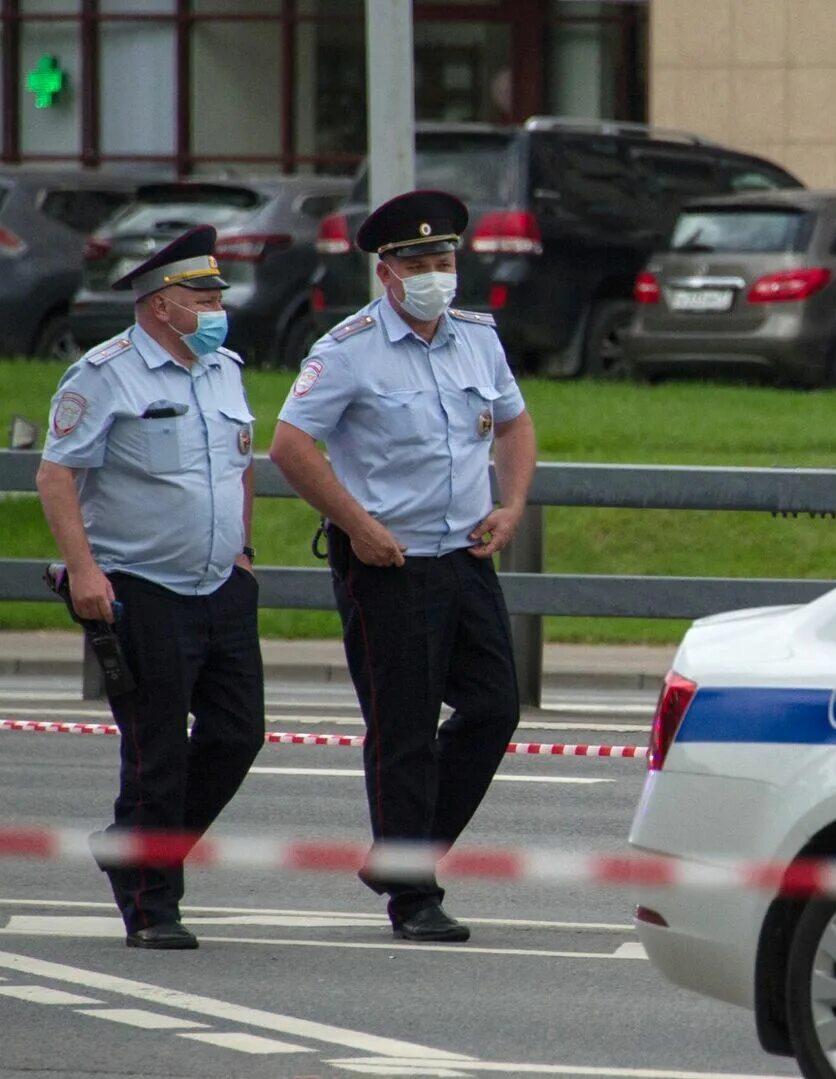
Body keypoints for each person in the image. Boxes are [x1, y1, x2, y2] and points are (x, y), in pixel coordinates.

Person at [269, 189, 536, 943]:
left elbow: (514, 423)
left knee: (494, 707)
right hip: (388, 564)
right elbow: (291, 445)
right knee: (406, 728)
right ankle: (412, 893)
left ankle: (400, 853)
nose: (435, 273)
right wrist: (357, 526)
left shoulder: (477, 337)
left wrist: (511, 503)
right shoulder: (349, 349)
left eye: (444, 258)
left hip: (464, 554)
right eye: (418, 261)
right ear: (386, 272)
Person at [34, 225, 264, 951]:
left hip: (220, 585)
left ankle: (135, 843)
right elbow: (57, 474)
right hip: (142, 587)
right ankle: (151, 903)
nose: (216, 307)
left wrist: (246, 550)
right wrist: (84, 570)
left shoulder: (222, 367)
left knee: (238, 734)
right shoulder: (105, 375)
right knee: (157, 749)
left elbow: (240, 463)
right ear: (161, 305)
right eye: (203, 296)